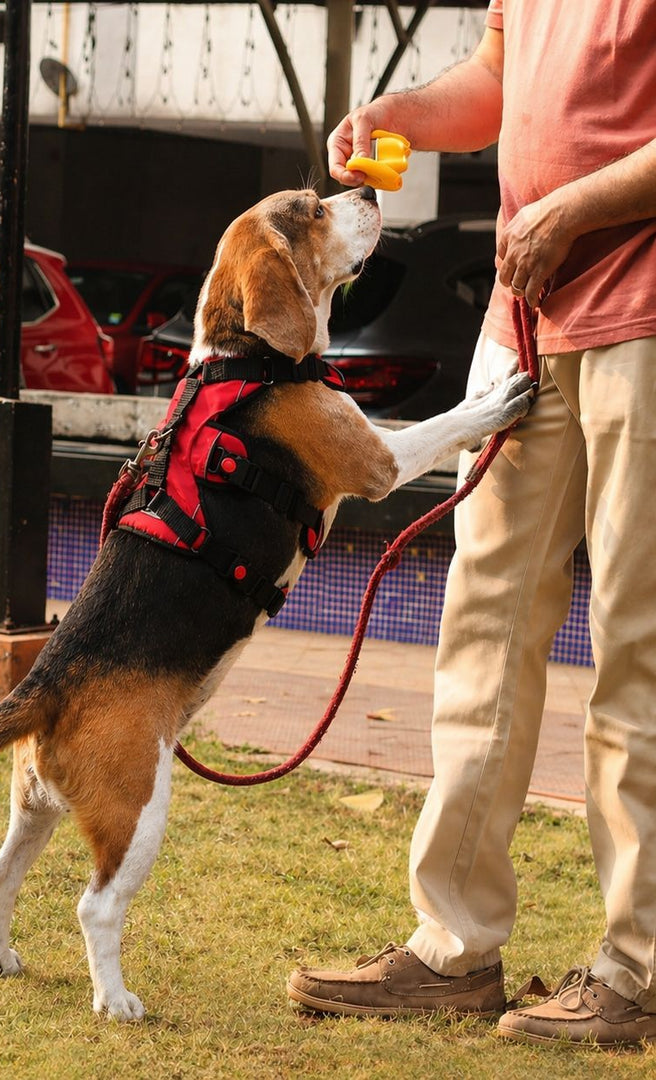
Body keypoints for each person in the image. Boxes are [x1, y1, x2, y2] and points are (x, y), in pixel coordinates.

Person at [286, 0, 656, 1050]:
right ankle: (453, 948)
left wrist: (574, 206)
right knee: (483, 626)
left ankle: (638, 969)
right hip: (527, 312)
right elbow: (503, 77)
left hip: (644, 315)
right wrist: (401, 110)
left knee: (640, 642)